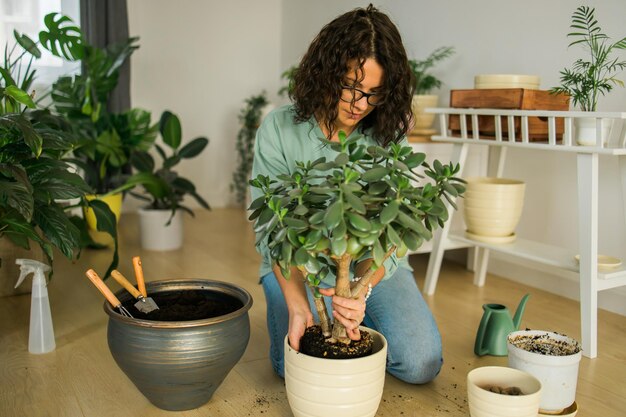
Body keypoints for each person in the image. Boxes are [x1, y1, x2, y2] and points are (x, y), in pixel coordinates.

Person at [250, 4, 442, 384]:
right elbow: (272, 230)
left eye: (374, 93)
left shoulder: (386, 130)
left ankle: (359, 319)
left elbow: (392, 232)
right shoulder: (279, 128)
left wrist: (361, 292)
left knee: (420, 362)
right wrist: (297, 303)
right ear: (326, 72)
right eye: (352, 87)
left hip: (369, 267)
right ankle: (353, 327)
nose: (359, 106)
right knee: (294, 364)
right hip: (296, 265)